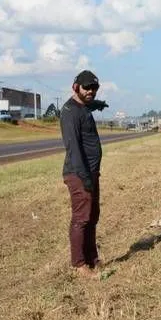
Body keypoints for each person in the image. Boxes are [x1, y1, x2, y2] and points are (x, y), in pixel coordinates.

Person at [60, 70, 109, 278]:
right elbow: (73, 148)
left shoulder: (83, 106)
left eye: (94, 88)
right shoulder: (70, 112)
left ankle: (92, 258)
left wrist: (98, 105)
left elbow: (87, 105)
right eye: (87, 87)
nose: (91, 91)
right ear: (75, 87)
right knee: (81, 218)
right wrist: (85, 178)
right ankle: (79, 265)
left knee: (92, 216)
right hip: (79, 173)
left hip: (91, 172)